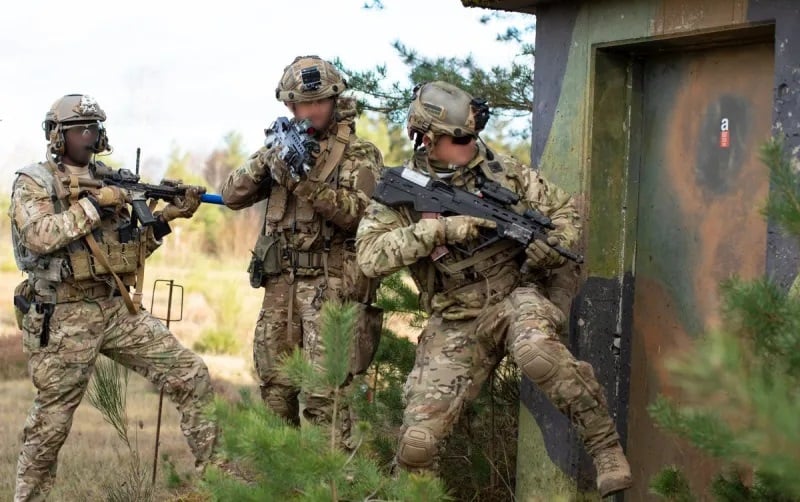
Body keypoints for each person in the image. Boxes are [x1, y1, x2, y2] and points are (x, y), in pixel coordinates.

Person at [355, 81, 633, 497]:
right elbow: (370, 256)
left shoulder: (504, 175)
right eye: (459, 139)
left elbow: (563, 214)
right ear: (427, 139)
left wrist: (549, 251)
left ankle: (605, 446)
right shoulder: (402, 189)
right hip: (454, 318)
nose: (470, 145)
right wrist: (437, 230)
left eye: (471, 136)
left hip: (514, 297)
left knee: (537, 353)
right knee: (416, 446)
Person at [10, 94, 217, 501]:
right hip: (63, 314)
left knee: (192, 374)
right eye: (80, 129)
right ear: (57, 135)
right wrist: (91, 205)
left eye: (94, 128)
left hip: (115, 308)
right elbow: (38, 236)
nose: (89, 136)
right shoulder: (34, 181)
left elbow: (127, 251)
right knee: (51, 424)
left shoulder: (110, 179)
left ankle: (222, 480)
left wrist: (164, 219)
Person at [221, 55, 384, 448]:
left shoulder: (359, 154)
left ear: (334, 100)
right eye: (299, 105)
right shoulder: (282, 147)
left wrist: (303, 183)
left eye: (316, 104)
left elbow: (360, 214)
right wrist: (268, 160)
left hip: (331, 290)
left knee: (323, 398)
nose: (308, 113)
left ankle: (330, 487)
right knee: (275, 391)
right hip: (281, 289)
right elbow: (231, 195)